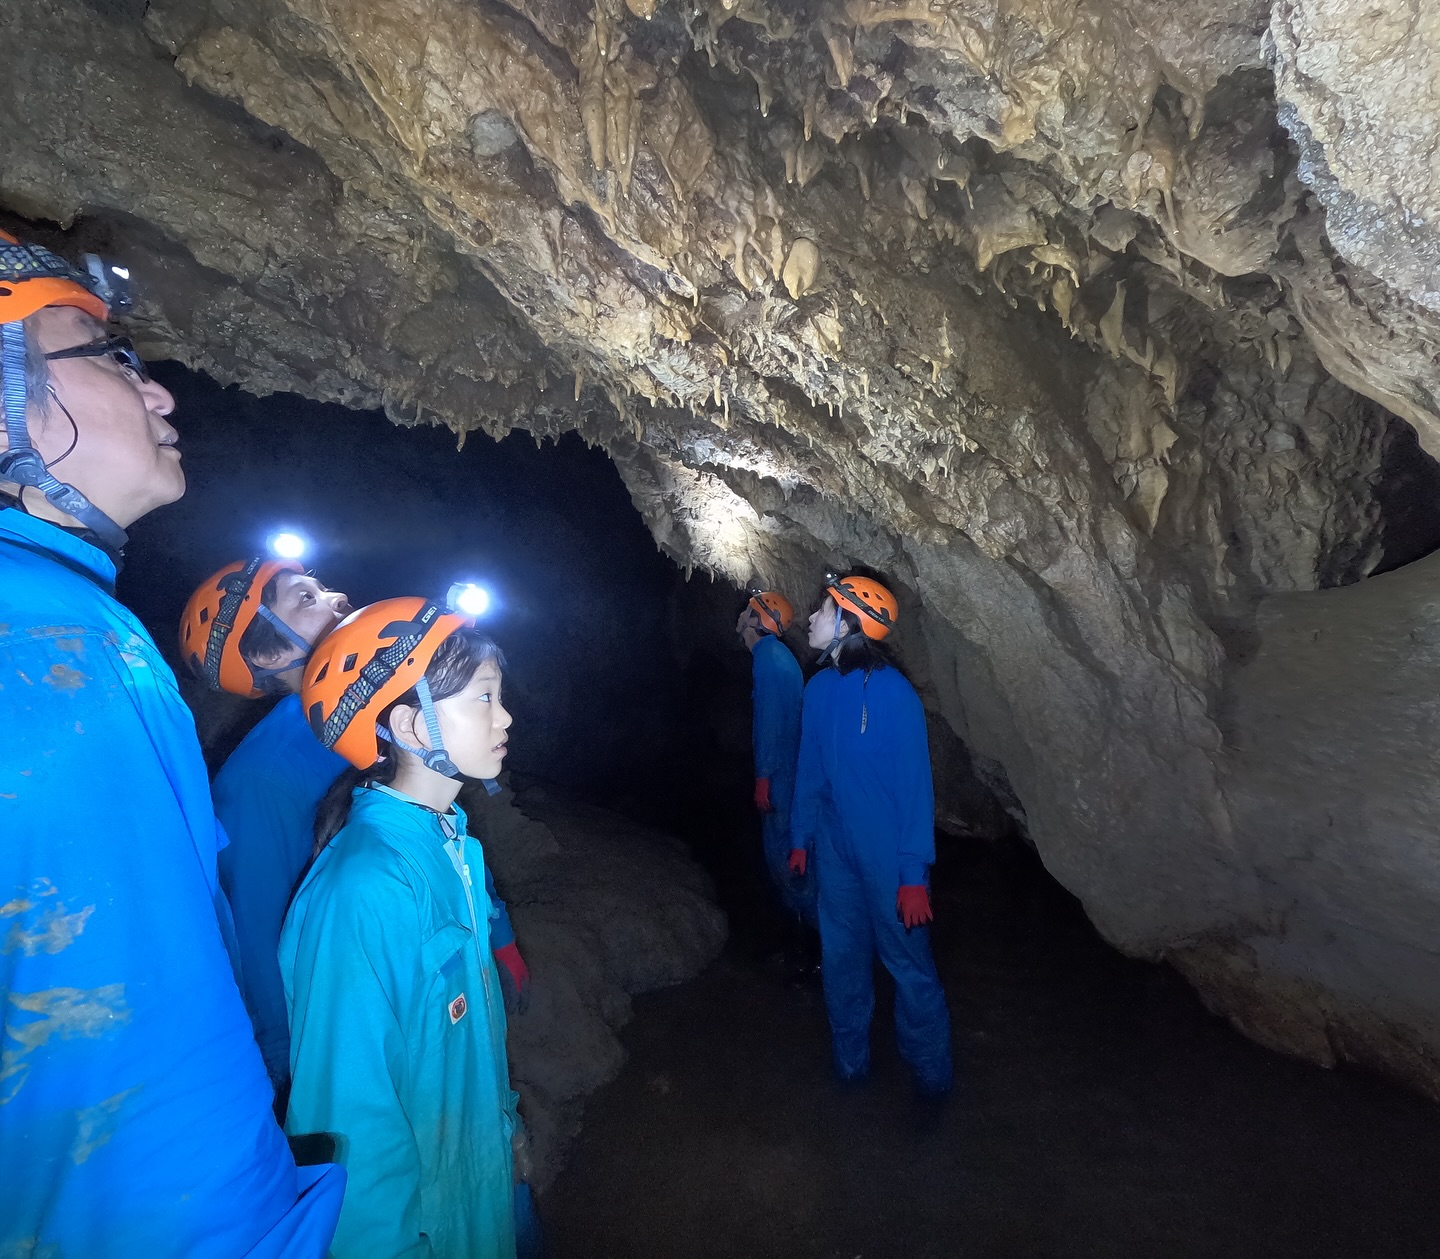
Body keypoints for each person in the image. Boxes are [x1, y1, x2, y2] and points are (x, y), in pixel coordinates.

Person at [0, 229, 343, 1254]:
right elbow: (135, 1063)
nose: (161, 397)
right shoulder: (52, 655)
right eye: (108, 358)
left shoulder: (66, 625)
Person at [180, 559, 531, 1096]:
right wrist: (293, 1072)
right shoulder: (261, 780)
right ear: (268, 655)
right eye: (305, 598)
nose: (338, 596)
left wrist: (495, 935)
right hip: (360, 1017)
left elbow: (437, 828)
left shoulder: (387, 720)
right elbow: (260, 932)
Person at [282, 595, 522, 1259]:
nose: (504, 716)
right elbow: (348, 1117)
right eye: (482, 697)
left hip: (475, 1191)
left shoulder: (453, 847)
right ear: (413, 725)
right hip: (423, 1229)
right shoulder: (365, 888)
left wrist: (504, 1123)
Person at [789, 572, 954, 1097]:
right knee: (840, 959)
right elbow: (810, 772)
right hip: (836, 853)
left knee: (909, 968)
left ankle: (930, 1076)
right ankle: (851, 1064)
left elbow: (914, 789)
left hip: (887, 856)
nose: (812, 617)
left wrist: (912, 874)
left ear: (849, 623)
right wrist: (799, 839)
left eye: (824, 609)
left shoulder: (892, 694)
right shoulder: (818, 690)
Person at [735, 588, 817, 944]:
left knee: (787, 861)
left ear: (757, 620)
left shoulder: (768, 657)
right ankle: (809, 946)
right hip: (791, 771)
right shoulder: (776, 655)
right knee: (792, 859)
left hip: (783, 774)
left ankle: (811, 951)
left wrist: (764, 777)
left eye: (747, 610)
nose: (739, 615)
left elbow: (770, 721)